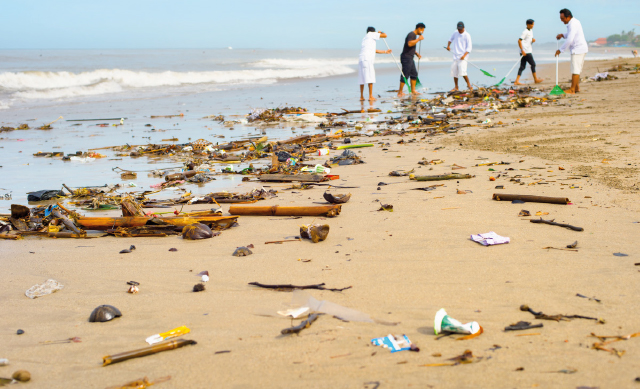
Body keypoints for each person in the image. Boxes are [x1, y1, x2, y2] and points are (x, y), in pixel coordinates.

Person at [555, 8, 588, 94]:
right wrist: (562, 35)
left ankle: (572, 89)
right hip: (581, 48)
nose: (562, 21)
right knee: (577, 69)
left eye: (563, 18)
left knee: (575, 70)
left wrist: (560, 50)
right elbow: (570, 34)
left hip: (578, 49)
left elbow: (570, 39)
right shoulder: (574, 22)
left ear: (568, 16)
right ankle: (576, 87)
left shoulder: (572, 24)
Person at [358, 27, 391, 101]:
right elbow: (385, 35)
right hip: (367, 59)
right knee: (370, 77)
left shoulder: (365, 38)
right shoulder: (371, 34)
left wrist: (385, 51)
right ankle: (370, 96)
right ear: (373, 31)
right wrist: (380, 32)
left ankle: (361, 96)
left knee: (362, 78)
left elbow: (373, 50)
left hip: (361, 59)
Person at [397, 23, 425, 97]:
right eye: (423, 30)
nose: (423, 32)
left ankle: (413, 90)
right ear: (419, 28)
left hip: (410, 57)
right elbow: (409, 44)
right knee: (405, 74)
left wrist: (416, 53)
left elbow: (410, 47)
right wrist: (419, 39)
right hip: (406, 57)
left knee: (414, 74)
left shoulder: (414, 36)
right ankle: (400, 92)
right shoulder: (411, 34)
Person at [515, 19, 543, 85]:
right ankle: (536, 79)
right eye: (532, 24)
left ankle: (516, 81)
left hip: (527, 50)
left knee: (522, 66)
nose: (533, 26)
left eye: (533, 24)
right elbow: (519, 41)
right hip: (525, 52)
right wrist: (522, 50)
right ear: (528, 24)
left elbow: (528, 41)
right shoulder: (525, 32)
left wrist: (532, 40)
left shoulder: (531, 31)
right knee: (533, 64)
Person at [447, 21, 472, 91]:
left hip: (463, 57)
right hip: (455, 56)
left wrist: (464, 55)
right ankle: (456, 87)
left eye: (461, 29)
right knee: (454, 72)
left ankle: (469, 85)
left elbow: (469, 47)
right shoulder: (455, 33)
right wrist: (448, 46)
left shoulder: (467, 35)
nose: (459, 30)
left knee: (463, 71)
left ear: (464, 28)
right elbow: (450, 39)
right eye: (458, 29)